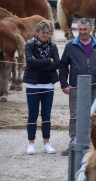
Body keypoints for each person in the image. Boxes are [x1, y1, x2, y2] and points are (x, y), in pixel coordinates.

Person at [59, 18, 96, 156]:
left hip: (92, 87)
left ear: (90, 29)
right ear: (77, 30)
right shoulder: (70, 45)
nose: (82, 32)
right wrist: (64, 84)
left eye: (85, 29)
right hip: (75, 86)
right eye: (80, 29)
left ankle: (89, 143)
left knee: (92, 115)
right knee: (75, 116)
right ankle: (74, 143)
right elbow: (63, 65)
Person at [23, 21, 60, 155]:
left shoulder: (53, 46)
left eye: (47, 32)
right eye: (43, 32)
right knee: (32, 114)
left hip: (48, 85)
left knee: (46, 115)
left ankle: (46, 143)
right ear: (37, 33)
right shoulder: (30, 45)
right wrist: (47, 61)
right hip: (33, 85)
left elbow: (56, 63)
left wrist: (39, 63)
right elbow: (30, 62)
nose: (45, 34)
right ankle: (31, 143)